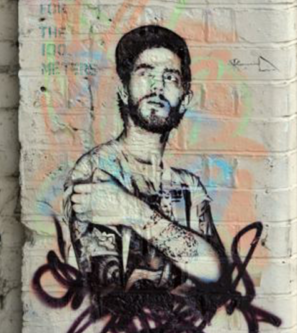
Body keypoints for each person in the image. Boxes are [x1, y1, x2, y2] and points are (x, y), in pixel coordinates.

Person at [65, 25, 224, 296]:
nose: (157, 86)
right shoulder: (97, 170)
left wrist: (132, 210)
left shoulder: (188, 186)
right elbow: (108, 291)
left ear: (185, 99)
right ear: (124, 90)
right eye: (145, 73)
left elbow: (215, 273)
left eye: (170, 77)